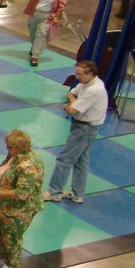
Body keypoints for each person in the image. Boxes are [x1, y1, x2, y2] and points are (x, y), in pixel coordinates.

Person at [0, 129, 46, 268]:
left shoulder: (28, 166)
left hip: (20, 209)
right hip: (5, 205)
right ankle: (1, 258)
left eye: (10, 147)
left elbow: (22, 193)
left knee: (12, 236)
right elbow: (4, 173)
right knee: (1, 231)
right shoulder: (14, 156)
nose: (7, 149)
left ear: (19, 147)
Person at [45, 60, 108, 204]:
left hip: (85, 129)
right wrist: (73, 101)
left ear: (91, 74)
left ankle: (54, 192)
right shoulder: (86, 84)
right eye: (77, 73)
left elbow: (72, 109)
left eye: (80, 74)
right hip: (83, 126)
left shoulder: (94, 90)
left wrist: (70, 105)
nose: (77, 77)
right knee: (81, 160)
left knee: (64, 159)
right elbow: (70, 93)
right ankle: (77, 193)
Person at [24, 0, 67, 66]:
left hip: (48, 15)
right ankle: (34, 46)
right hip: (34, 13)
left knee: (41, 33)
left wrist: (57, 15)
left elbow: (62, 4)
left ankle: (35, 55)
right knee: (32, 33)